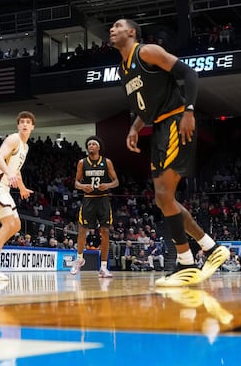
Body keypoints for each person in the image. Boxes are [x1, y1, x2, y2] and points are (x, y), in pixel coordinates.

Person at [109, 19, 229, 287]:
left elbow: (190, 74)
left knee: (164, 195)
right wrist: (134, 128)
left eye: (117, 26)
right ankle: (211, 248)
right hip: (160, 126)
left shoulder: (147, 52)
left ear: (131, 32)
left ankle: (186, 264)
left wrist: (189, 111)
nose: (112, 30)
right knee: (163, 200)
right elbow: (146, 108)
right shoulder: (123, 69)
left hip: (176, 120)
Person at [0, 111, 36, 281]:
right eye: (22, 122)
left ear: (32, 127)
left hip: (4, 187)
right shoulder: (13, 139)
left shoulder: (25, 147)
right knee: (8, 223)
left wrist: (23, 188)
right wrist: (9, 173)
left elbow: (16, 170)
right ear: (18, 125)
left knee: (16, 225)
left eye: (28, 122)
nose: (25, 124)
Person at [71, 135, 119, 277]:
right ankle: (79, 259)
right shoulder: (82, 163)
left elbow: (116, 181)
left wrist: (108, 185)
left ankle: (103, 267)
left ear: (98, 147)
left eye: (94, 144)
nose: (91, 146)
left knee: (105, 233)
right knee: (82, 230)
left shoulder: (107, 162)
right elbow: (76, 182)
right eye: (89, 144)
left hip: (103, 200)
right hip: (88, 200)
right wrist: (82, 186)